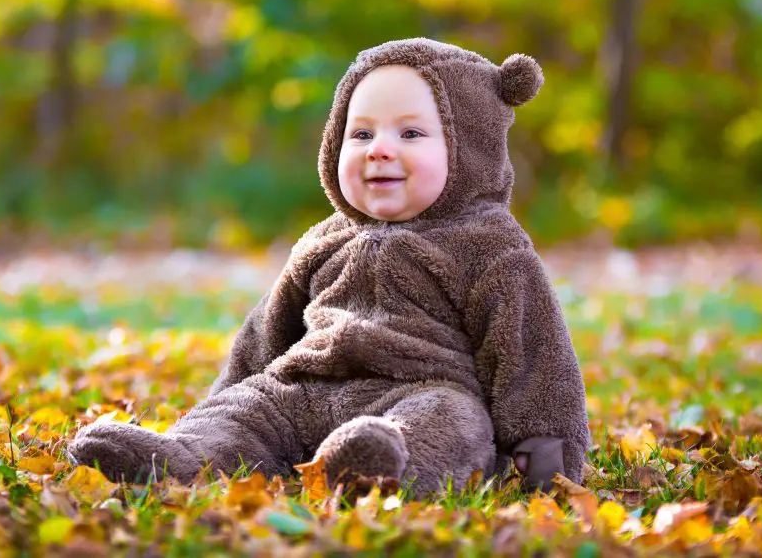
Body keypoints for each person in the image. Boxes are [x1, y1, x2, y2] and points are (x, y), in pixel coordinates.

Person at [68, 37, 591, 495]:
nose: (380, 150)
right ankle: (177, 460)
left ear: (469, 147)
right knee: (247, 409)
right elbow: (265, 333)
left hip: (416, 389)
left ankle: (382, 464)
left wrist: (546, 445)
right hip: (303, 389)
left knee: (451, 422)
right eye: (361, 135)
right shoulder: (324, 240)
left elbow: (531, 349)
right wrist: (225, 399)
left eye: (411, 135)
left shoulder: (490, 247)